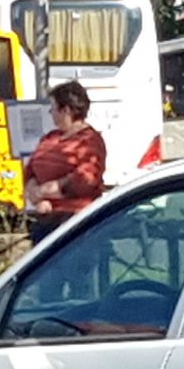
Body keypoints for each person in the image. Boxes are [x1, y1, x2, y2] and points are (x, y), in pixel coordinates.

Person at [24, 80, 107, 245]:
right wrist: (35, 193)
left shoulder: (89, 140)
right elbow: (30, 169)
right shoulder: (50, 138)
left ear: (66, 110)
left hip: (74, 221)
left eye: (53, 109)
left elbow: (86, 180)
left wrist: (45, 191)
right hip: (44, 219)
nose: (51, 113)